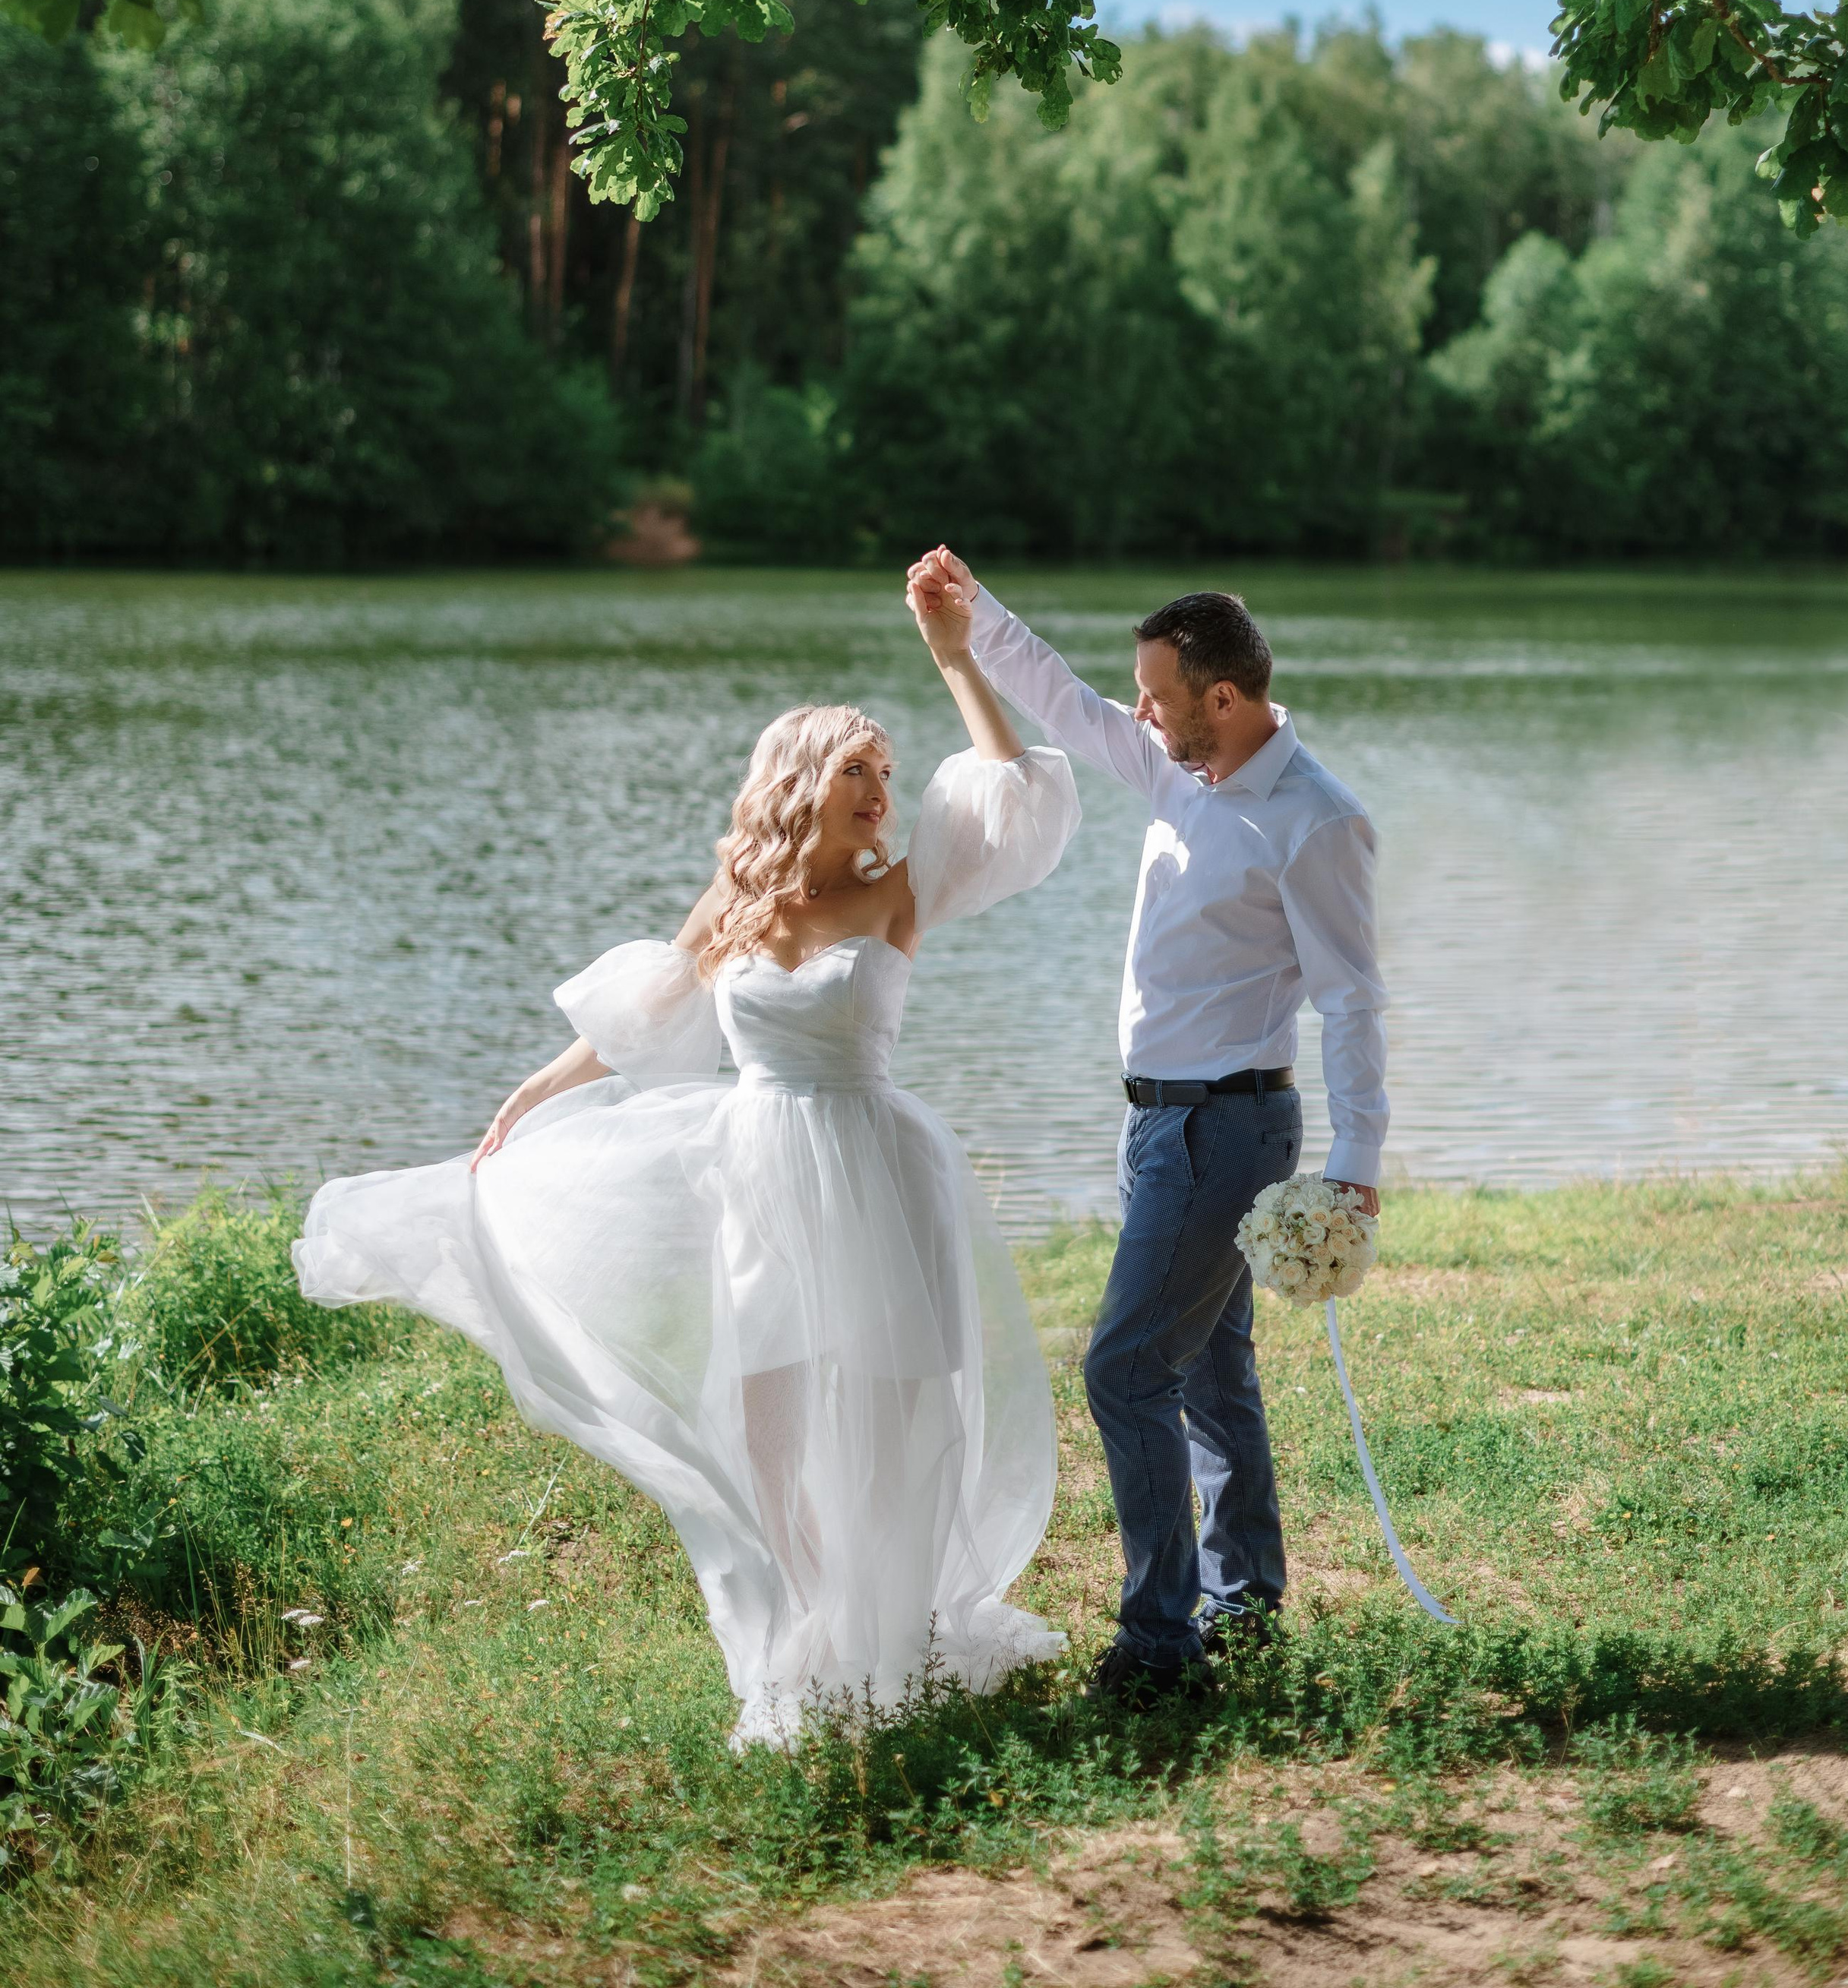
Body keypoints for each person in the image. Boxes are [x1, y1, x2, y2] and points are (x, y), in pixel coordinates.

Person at [292, 605, 1080, 1749]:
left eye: (886, 772)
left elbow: (1009, 791)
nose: (880, 790)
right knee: (769, 1433)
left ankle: (895, 1641)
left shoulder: (900, 893)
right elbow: (645, 1015)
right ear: (799, 780)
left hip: (875, 1166)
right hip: (761, 1177)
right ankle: (815, 1627)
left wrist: (957, 657)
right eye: (856, 769)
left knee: (899, 1418)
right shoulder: (739, 908)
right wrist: (532, 1091)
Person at [904, 548, 1388, 1706]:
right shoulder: (1182, 770)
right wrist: (975, 613)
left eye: (1158, 695)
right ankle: (1244, 1601)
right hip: (1160, 1129)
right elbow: (1064, 700)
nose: (1140, 711)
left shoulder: (1315, 821)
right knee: (1209, 1372)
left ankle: (1162, 1647)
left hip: (1229, 1130)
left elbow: (1353, 1002)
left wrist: (1356, 1164)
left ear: (1222, 696)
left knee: (1125, 1371)